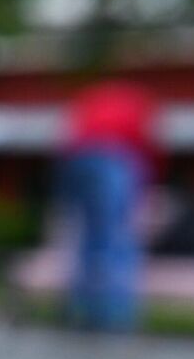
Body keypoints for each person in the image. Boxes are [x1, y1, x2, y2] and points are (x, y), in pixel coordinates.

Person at [62, 82, 157, 332]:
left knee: (87, 239)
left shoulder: (91, 96)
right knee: (117, 238)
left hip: (77, 157)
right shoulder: (137, 100)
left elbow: (70, 129)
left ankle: (79, 309)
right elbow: (145, 141)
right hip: (114, 157)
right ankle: (115, 317)